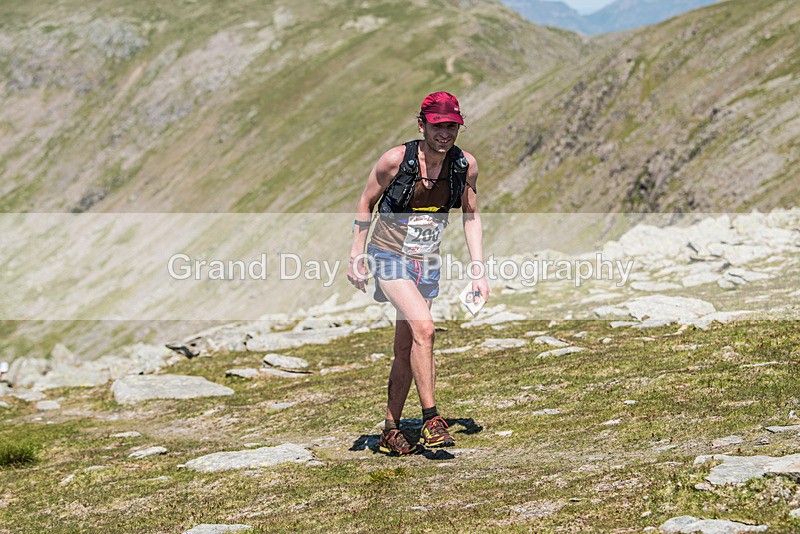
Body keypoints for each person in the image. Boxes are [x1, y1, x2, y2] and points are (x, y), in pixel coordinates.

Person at [347, 91, 489, 455]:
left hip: (425, 260)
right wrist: (356, 255)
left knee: (407, 345)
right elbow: (366, 201)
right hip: (388, 254)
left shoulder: (464, 165)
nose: (445, 133)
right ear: (422, 124)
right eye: (438, 125)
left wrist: (478, 270)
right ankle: (431, 420)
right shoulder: (396, 161)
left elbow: (469, 214)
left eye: (452, 126)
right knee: (425, 328)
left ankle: (391, 428)